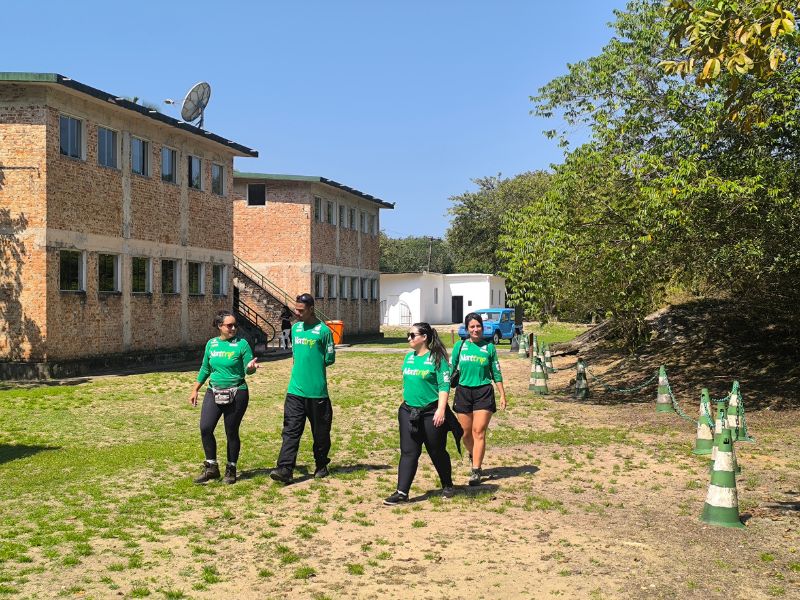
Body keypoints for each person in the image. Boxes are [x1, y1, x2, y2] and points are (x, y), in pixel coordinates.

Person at [384, 322, 462, 505]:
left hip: (432, 412)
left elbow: (444, 386)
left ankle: (447, 484)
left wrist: (441, 410)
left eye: (412, 335)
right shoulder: (408, 358)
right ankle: (402, 492)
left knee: (436, 451)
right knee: (408, 452)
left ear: (424, 337)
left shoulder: (437, 358)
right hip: (409, 412)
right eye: (408, 335)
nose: (409, 338)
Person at [270, 293, 336, 484]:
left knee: (321, 434)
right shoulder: (296, 329)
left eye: (301, 310)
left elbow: (329, 359)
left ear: (311, 309)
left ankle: (321, 464)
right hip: (295, 392)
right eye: (295, 309)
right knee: (290, 431)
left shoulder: (324, 331)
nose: (297, 313)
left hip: (317, 393)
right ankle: (285, 469)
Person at [189, 310, 259, 485]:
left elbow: (248, 369)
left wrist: (251, 368)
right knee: (205, 428)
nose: (233, 328)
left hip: (237, 392)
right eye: (229, 325)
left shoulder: (242, 344)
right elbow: (205, 368)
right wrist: (195, 389)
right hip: (214, 391)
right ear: (220, 326)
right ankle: (211, 467)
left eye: (235, 325)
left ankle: (231, 468)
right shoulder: (211, 344)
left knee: (231, 432)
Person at [451, 312, 506, 486]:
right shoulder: (459, 347)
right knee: (465, 434)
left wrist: (502, 394)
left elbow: (496, 372)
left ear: (483, 327)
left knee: (478, 431)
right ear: (467, 329)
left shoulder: (489, 348)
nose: (476, 329)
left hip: (483, 392)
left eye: (478, 326)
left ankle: (476, 469)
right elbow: (450, 370)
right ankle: (472, 453)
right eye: (472, 327)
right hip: (463, 392)